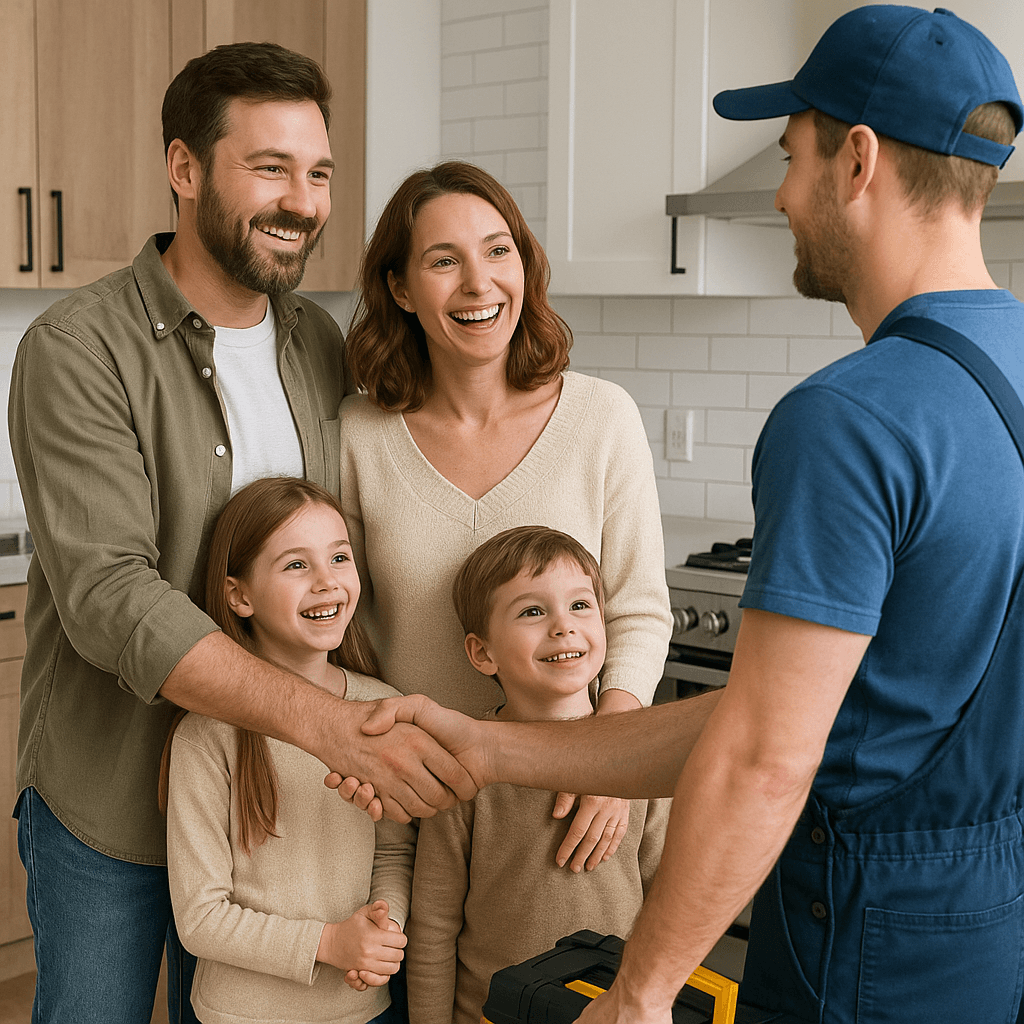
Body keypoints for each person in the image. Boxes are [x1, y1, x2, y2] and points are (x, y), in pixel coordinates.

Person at [359, 7, 1024, 1023]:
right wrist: (486, 748)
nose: (780, 192)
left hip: (858, 941)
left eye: (790, 154)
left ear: (856, 161)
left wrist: (640, 991)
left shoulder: (848, 416)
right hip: (990, 921)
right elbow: (790, 716)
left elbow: (764, 755)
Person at [8, 42, 470, 1024]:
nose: (300, 201)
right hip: (116, 795)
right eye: (269, 168)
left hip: (282, 807)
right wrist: (330, 722)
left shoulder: (319, 341)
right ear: (184, 168)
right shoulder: (79, 347)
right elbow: (110, 600)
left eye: (319, 173)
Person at [338, 161, 673, 873]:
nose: (478, 283)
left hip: (566, 802)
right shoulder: (359, 435)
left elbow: (640, 611)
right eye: (442, 261)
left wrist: (610, 764)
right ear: (400, 288)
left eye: (498, 250)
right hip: (415, 810)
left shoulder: (601, 418)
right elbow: (349, 632)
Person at [163, 477, 415, 1024]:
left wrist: (383, 930)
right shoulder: (208, 735)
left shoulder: (386, 709)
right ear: (240, 595)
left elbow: (395, 851)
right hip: (242, 1015)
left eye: (340, 557)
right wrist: (329, 944)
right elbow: (201, 917)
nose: (327, 582)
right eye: (296, 565)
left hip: (363, 1008)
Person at [405, 526, 669, 1024]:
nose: (563, 627)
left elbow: (671, 899)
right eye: (532, 611)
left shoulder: (647, 759)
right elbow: (434, 925)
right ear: (483, 653)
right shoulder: (462, 766)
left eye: (580, 606)